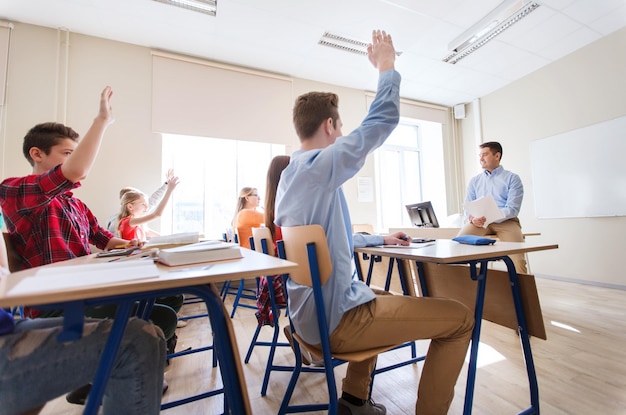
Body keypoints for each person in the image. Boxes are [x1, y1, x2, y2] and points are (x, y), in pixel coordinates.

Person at [274, 30, 474, 414]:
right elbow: (380, 122)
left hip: (308, 317)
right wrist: (386, 66)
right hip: (336, 323)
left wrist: (380, 238)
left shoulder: (290, 175)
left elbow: (327, 243)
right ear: (330, 126)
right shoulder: (318, 166)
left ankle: (353, 402)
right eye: (341, 127)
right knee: (460, 319)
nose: (343, 134)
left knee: (379, 296)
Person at [0, 87, 176, 404]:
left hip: (85, 292)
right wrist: (102, 120)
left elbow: (106, 239)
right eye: (68, 152)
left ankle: (99, 377)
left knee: (164, 313)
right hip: (56, 302)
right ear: (37, 154)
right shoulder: (15, 192)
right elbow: (75, 172)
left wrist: (142, 247)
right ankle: (111, 375)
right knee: (145, 321)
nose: (76, 159)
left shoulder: (74, 204)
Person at [457, 141, 527, 273]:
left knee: (517, 260)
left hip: (506, 222)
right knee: (457, 247)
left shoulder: (512, 178)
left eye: (484, 154)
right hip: (480, 223)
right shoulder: (475, 181)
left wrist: (491, 216)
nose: (481, 158)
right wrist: (472, 218)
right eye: (480, 155)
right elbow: (468, 206)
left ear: (497, 156)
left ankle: (521, 293)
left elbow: (512, 209)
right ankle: (467, 290)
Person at [105, 168, 176, 236]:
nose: (147, 207)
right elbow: (156, 214)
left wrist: (166, 184)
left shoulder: (137, 219)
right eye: (142, 204)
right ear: (130, 206)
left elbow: (154, 199)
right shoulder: (124, 222)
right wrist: (169, 190)